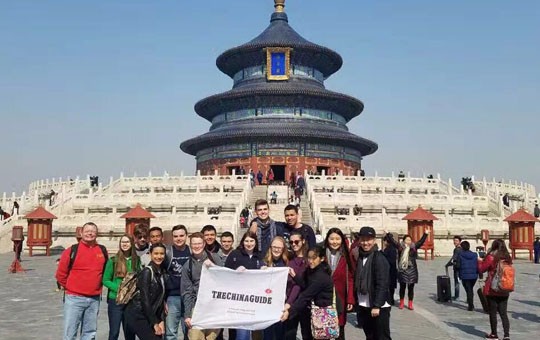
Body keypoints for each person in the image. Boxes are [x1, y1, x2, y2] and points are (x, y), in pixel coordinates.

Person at [55, 222, 108, 340]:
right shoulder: (72, 250)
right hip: (74, 298)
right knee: (70, 333)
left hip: (94, 299)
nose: (90, 233)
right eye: (87, 231)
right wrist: (71, 287)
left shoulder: (102, 250)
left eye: (93, 231)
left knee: (90, 333)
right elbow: (60, 274)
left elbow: (104, 272)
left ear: (97, 234)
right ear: (81, 233)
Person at [281, 245, 334, 339]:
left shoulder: (321, 276)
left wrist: (289, 311)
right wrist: (295, 276)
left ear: (322, 259)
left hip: (321, 313)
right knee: (307, 335)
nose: (310, 261)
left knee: (320, 337)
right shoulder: (311, 270)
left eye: (314, 258)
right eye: (309, 258)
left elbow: (305, 296)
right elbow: (305, 285)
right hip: (312, 311)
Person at [182, 232, 222, 340]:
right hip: (197, 305)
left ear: (204, 244)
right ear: (190, 245)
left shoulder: (215, 258)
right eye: (194, 244)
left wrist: (213, 266)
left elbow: (225, 278)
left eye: (199, 243)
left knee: (211, 337)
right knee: (195, 336)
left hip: (213, 305)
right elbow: (186, 292)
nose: (197, 246)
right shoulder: (187, 265)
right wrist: (187, 315)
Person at [354, 227, 392, 340]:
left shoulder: (379, 257)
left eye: (369, 239)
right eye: (363, 239)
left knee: (382, 337)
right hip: (364, 304)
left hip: (378, 306)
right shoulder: (360, 256)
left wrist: (377, 305)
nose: (366, 243)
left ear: (374, 240)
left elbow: (383, 283)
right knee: (370, 336)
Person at [225, 231, 263, 340]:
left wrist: (265, 270)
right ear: (243, 242)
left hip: (256, 298)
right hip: (239, 299)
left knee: (257, 332)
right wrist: (235, 272)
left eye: (252, 241)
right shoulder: (235, 254)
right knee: (242, 331)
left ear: (255, 242)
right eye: (246, 241)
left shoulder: (260, 256)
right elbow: (225, 274)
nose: (249, 243)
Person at [125, 243, 167, 340]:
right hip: (138, 314)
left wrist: (160, 319)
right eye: (156, 254)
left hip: (150, 314)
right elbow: (145, 300)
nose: (159, 256)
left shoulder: (162, 272)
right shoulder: (147, 272)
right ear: (150, 254)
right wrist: (155, 322)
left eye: (162, 254)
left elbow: (160, 298)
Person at [102, 234, 140, 340]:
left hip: (130, 301)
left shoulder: (136, 260)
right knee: (114, 332)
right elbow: (105, 280)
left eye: (127, 242)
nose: (125, 244)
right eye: (123, 242)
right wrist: (120, 288)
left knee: (130, 332)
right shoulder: (113, 260)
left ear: (132, 244)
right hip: (115, 300)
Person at [384, 229, 429, 310]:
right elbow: (393, 241)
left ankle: (410, 303)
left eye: (410, 240)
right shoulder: (400, 247)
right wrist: (388, 233)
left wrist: (425, 234)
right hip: (403, 270)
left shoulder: (414, 247)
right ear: (404, 240)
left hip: (412, 270)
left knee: (411, 288)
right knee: (402, 287)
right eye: (407, 239)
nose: (408, 241)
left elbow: (421, 242)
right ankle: (401, 303)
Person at [478, 239, 512, 340]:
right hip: (505, 287)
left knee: (493, 312)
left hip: (492, 288)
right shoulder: (507, 257)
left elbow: (482, 269)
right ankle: (506, 335)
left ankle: (494, 334)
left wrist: (480, 260)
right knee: (503, 313)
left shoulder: (491, 257)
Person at [324, 228, 355, 339]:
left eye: (337, 239)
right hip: (323, 298)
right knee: (323, 328)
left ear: (342, 240)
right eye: (332, 239)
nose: (334, 242)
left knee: (339, 329)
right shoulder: (321, 256)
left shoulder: (346, 257)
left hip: (341, 298)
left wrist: (350, 299)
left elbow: (351, 278)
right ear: (327, 240)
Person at [165, 225, 191, 340]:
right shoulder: (167, 253)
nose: (178, 238)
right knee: (171, 332)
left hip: (189, 297)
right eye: (175, 236)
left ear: (186, 236)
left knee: (189, 331)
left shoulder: (192, 251)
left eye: (181, 235)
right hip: (172, 297)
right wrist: (163, 300)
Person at [262, 237, 290, 340]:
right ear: (270, 248)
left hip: (281, 303)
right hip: (267, 303)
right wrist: (261, 273)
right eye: (274, 247)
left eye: (279, 247)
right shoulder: (264, 262)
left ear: (283, 249)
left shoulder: (287, 262)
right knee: (267, 333)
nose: (277, 249)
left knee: (280, 333)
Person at [284, 231, 310, 340]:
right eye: (291, 242)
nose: (293, 244)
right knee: (289, 334)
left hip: (304, 303)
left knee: (307, 334)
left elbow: (299, 285)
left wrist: (288, 303)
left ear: (303, 241)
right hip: (291, 302)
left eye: (296, 241)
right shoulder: (288, 259)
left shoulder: (309, 260)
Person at [456, 241, 478, 311]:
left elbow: (458, 265)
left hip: (465, 275)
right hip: (474, 275)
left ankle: (470, 305)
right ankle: (470, 302)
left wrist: (455, 267)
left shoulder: (460, 255)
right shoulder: (474, 254)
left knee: (468, 289)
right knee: (470, 289)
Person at [381, 236, 398, 306]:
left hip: (389, 270)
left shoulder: (389, 250)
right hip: (393, 270)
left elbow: (389, 260)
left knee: (389, 286)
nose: (384, 243)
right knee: (391, 287)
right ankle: (391, 299)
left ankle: (390, 299)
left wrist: (382, 254)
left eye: (384, 241)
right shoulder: (392, 249)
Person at [445, 236, 462, 300]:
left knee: (457, 282)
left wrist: (448, 264)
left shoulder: (457, 249)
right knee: (464, 283)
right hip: (462, 267)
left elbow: (453, 259)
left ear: (460, 242)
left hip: (457, 267)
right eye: (454, 241)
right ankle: (468, 297)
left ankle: (457, 296)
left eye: (456, 241)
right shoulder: (462, 248)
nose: (455, 242)